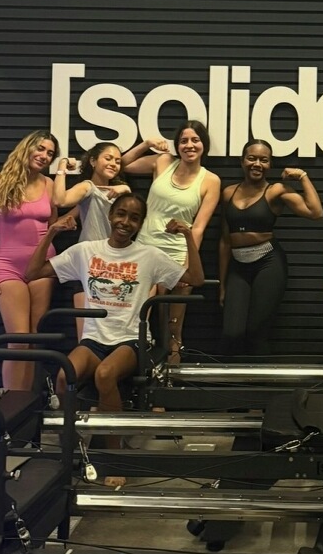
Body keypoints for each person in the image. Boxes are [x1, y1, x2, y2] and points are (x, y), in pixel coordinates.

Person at [26, 193, 205, 484]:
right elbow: (32, 272)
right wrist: (52, 233)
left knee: (105, 374)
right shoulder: (86, 250)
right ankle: (72, 449)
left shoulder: (149, 256)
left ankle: (114, 457)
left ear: (140, 224)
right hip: (94, 340)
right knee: (63, 376)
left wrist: (187, 235)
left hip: (131, 341)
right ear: (110, 216)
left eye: (134, 218)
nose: (125, 222)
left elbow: (195, 279)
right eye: (121, 214)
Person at [0, 129, 74, 390]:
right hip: (7, 265)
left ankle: (27, 401)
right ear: (27, 147)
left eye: (50, 153)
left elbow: (53, 226)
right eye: (40, 149)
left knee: (34, 339)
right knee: (18, 339)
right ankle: (11, 401)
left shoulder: (49, 184)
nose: (44, 156)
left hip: (42, 266)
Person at [122, 121, 221, 362]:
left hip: (178, 254)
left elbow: (198, 228)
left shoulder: (211, 181)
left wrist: (188, 264)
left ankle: (171, 378)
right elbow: (123, 164)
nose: (189, 145)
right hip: (145, 250)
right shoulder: (163, 162)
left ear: (204, 144)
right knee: (138, 319)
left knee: (173, 328)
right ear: (177, 145)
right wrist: (146, 143)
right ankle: (136, 370)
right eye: (184, 141)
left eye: (195, 140)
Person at [219, 139, 323, 356]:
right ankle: (234, 377)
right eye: (252, 158)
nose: (257, 164)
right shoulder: (228, 192)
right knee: (232, 333)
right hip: (238, 266)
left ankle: (259, 377)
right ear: (242, 161)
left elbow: (316, 212)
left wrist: (303, 177)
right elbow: (225, 240)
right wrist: (222, 285)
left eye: (264, 160)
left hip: (268, 263)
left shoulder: (276, 191)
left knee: (256, 332)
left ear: (270, 165)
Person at [52, 142, 131, 336]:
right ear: (94, 161)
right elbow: (59, 200)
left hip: (115, 267)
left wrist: (126, 189)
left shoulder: (119, 192)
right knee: (86, 335)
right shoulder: (88, 187)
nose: (113, 163)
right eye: (108, 158)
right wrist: (62, 166)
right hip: (89, 266)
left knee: (112, 334)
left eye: (117, 161)